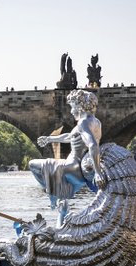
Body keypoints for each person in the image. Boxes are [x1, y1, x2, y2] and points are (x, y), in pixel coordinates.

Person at [28, 89, 104, 224]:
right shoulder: (95, 122)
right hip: (80, 172)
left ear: (79, 106)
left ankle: (51, 192)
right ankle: (61, 229)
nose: (71, 111)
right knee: (63, 205)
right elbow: (71, 137)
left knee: (32, 164)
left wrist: (98, 173)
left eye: (72, 106)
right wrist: (50, 139)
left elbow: (92, 145)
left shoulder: (83, 123)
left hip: (72, 167)